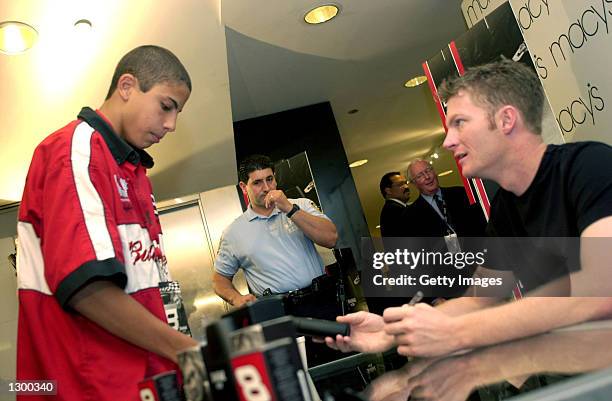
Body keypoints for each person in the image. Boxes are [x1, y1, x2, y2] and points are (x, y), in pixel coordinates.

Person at [325, 59, 612, 357]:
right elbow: (479, 297)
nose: (448, 141)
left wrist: (457, 332)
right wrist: (391, 329)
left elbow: (601, 289)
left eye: (459, 123)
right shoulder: (505, 208)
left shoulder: (589, 167)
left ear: (506, 120)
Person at [17, 45, 199, 401]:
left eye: (177, 112)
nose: (171, 124)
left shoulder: (136, 175)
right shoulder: (76, 150)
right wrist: (188, 351)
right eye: (166, 106)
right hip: (89, 387)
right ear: (127, 86)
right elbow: (87, 289)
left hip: (143, 383)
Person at [213, 154, 339, 318]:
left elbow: (331, 238)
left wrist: (289, 208)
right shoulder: (233, 233)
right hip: (278, 311)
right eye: (257, 182)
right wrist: (237, 299)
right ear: (244, 187)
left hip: (321, 301)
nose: (266, 188)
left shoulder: (301, 205)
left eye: (270, 179)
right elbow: (219, 279)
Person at [405, 159, 486, 238]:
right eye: (419, 176)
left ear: (434, 172)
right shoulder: (411, 214)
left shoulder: (461, 193)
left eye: (428, 170)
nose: (427, 177)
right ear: (414, 183)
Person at [378, 172, 411, 237]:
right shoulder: (394, 210)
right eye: (401, 184)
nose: (406, 187)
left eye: (406, 183)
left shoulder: (397, 208)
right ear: (388, 191)